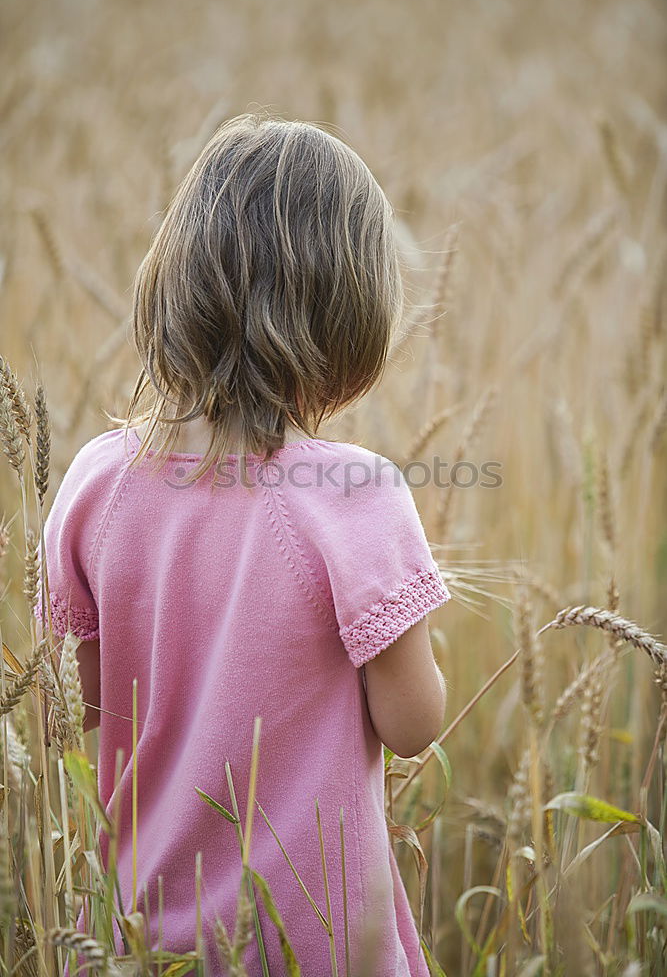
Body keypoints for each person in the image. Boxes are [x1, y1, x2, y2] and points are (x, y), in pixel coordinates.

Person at [35, 112, 451, 976]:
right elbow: (412, 725)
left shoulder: (93, 483)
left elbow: (75, 712)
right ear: (348, 315)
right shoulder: (353, 492)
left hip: (136, 936)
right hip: (313, 940)